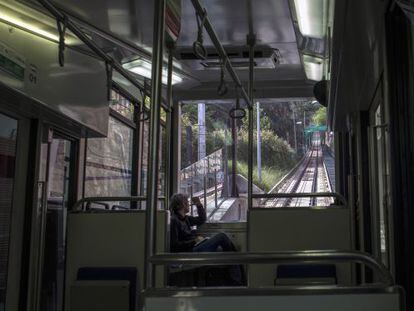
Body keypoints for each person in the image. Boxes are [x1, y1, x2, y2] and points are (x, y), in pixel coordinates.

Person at [169, 193, 243, 285]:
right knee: (222, 237)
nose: (188, 204)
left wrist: (199, 205)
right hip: (190, 251)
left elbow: (201, 219)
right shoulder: (174, 221)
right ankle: (237, 279)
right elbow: (174, 246)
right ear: (179, 205)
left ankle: (235, 277)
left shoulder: (185, 219)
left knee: (225, 251)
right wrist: (194, 241)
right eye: (186, 202)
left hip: (195, 246)